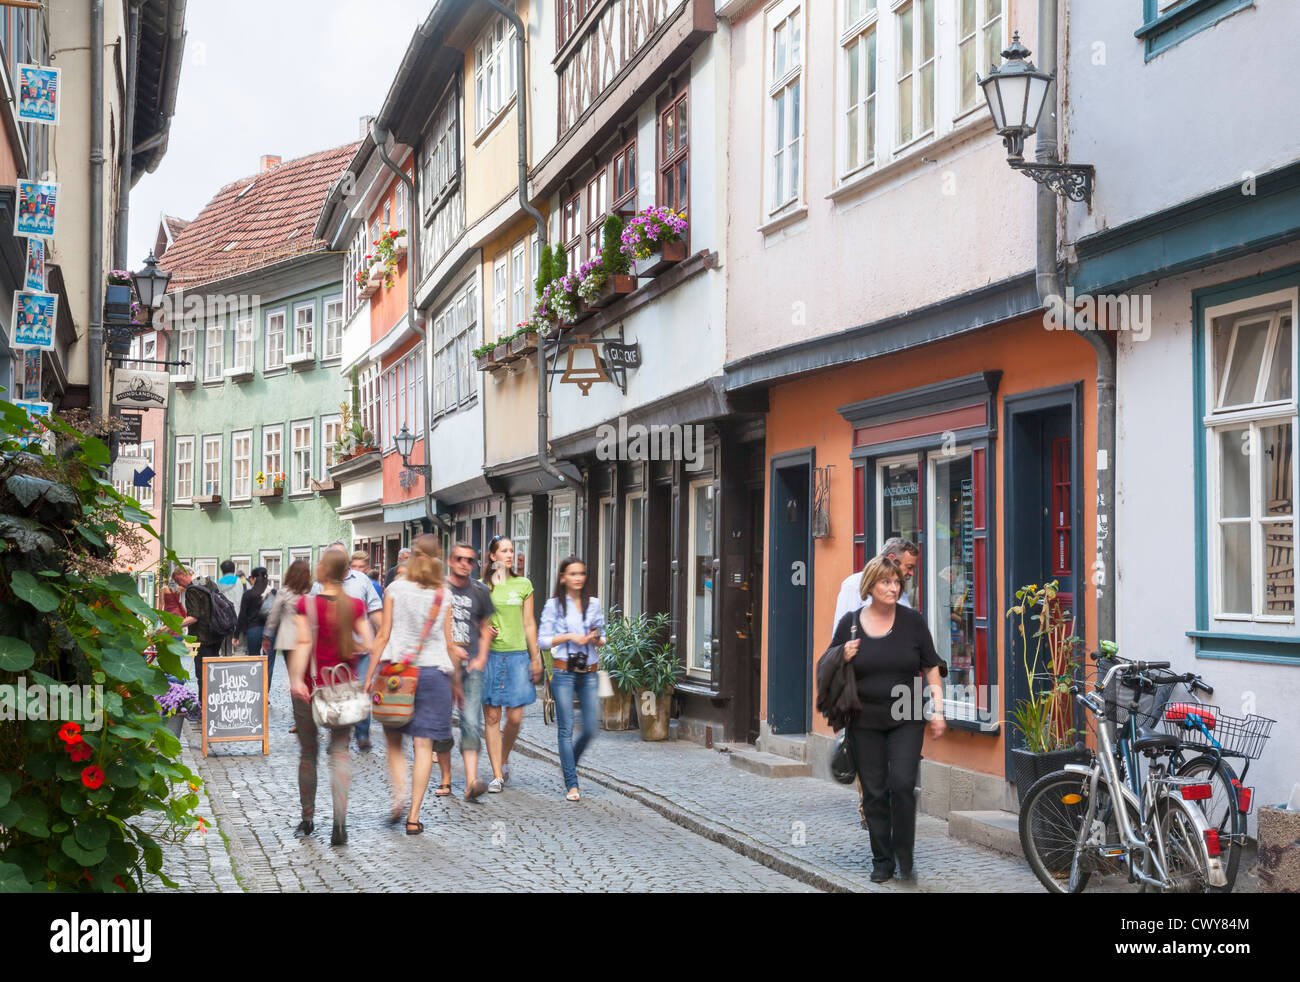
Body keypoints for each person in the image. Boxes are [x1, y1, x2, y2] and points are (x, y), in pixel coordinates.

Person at [829, 555, 946, 883]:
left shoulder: (913, 622)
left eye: (897, 582)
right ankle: (883, 860)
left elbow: (931, 665)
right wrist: (842, 654)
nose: (893, 588)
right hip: (864, 718)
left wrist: (937, 708)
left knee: (903, 784)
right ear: (870, 585)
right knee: (875, 791)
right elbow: (828, 663)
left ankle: (905, 857)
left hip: (907, 711)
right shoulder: (850, 623)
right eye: (886, 582)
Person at [366, 535, 467, 833]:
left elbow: (383, 636)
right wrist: (457, 682)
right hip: (434, 676)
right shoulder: (443, 594)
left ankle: (398, 796)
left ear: (410, 557)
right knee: (424, 746)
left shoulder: (395, 589)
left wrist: (370, 675)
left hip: (397, 674)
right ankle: (413, 816)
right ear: (438, 558)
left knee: (394, 743)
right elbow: (450, 644)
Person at [288, 551, 374, 846]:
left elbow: (303, 643)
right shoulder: (355, 605)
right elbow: (370, 643)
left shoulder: (307, 605)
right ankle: (340, 824)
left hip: (311, 688)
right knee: (340, 753)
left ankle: (308, 818)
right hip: (343, 688)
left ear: (323, 572)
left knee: (308, 753)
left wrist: (296, 679)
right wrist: (353, 649)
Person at [538, 556, 605, 801]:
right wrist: (568, 636)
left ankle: (570, 763)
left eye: (582, 573)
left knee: (590, 727)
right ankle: (572, 783)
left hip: (588, 671)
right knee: (565, 728)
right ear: (563, 577)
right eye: (573, 574)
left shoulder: (594, 604)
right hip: (563, 671)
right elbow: (542, 640)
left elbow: (603, 635)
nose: (578, 578)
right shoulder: (554, 605)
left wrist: (596, 638)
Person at [481, 535, 541, 793]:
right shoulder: (482, 587)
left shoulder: (524, 584)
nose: (509, 554)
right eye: (503, 551)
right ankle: (496, 774)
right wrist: (483, 628)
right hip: (491, 656)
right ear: (493, 556)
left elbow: (529, 623)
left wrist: (535, 656)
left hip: (517, 656)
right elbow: (472, 621)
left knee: (515, 717)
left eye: (511, 550)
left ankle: (504, 756)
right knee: (493, 716)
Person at [311, 542, 383, 751]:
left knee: (362, 690)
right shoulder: (319, 586)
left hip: (360, 651)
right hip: (333, 653)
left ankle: (362, 734)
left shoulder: (362, 580)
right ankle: (339, 732)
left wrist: (383, 638)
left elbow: (375, 611)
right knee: (336, 691)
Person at [445, 542, 495, 800]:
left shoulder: (480, 590)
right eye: (460, 559)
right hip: (442, 665)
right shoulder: (440, 589)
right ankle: (444, 779)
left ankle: (471, 782)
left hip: (472, 665)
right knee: (440, 725)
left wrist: (482, 657)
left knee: (471, 722)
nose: (465, 564)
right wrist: (450, 647)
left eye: (470, 560)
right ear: (450, 561)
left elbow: (485, 627)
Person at [832, 537, 919, 635]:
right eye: (909, 567)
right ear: (891, 559)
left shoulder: (900, 592)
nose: (911, 573)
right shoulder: (853, 585)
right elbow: (841, 633)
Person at [265, 560, 312, 733]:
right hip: (309, 638)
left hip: (290, 641)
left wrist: (267, 634)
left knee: (295, 680)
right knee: (311, 678)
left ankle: (301, 720)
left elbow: (274, 614)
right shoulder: (312, 591)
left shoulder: (284, 591)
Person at [236, 567, 271, 675]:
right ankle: (266, 688)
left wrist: (236, 635)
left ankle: (255, 686)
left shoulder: (248, 594)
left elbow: (242, 615)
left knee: (253, 661)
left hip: (253, 630)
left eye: (251, 577)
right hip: (269, 631)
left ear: (254, 578)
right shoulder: (272, 592)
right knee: (268, 662)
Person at [216, 560, 246, 655]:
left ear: (222, 571)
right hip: (239, 619)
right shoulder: (241, 582)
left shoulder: (218, 584)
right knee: (239, 649)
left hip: (224, 621)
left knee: (225, 650)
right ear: (234, 570)